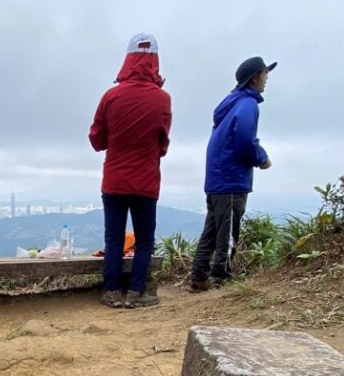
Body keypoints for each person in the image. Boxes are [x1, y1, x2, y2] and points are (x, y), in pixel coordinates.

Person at [89, 32, 172, 308]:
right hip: (146, 182)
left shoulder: (110, 97)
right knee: (144, 239)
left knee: (113, 238)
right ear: (155, 62)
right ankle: (138, 294)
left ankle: (111, 292)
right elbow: (163, 144)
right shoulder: (162, 99)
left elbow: (96, 140)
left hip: (114, 180)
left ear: (127, 60)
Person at [190, 56, 276, 291]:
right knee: (227, 231)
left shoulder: (230, 104)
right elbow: (244, 140)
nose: (267, 79)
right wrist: (262, 158)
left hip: (217, 178)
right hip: (231, 178)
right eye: (265, 74)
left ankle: (199, 277)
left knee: (212, 229)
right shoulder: (247, 105)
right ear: (256, 77)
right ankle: (222, 279)